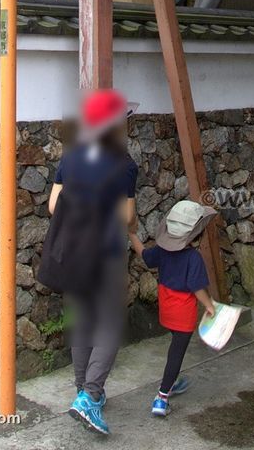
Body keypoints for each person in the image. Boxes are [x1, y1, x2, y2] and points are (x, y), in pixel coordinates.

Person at [47, 89, 138, 436]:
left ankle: (82, 390)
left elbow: (54, 206)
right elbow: (127, 216)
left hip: (72, 249)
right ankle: (91, 395)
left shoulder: (71, 158)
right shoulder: (124, 165)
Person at [130, 199, 217, 417]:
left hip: (166, 308)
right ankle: (161, 398)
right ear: (196, 234)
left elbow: (145, 256)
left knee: (174, 349)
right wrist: (210, 306)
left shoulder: (161, 251)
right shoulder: (193, 258)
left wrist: (131, 234)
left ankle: (173, 381)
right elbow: (197, 288)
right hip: (183, 314)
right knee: (175, 355)